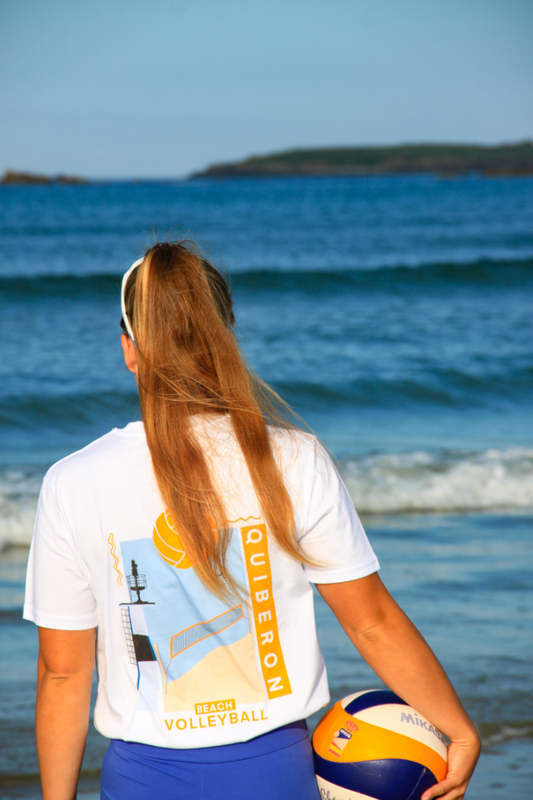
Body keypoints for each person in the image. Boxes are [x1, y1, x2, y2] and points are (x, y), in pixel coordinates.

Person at [24, 242, 480, 800]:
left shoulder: (73, 481)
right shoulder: (293, 457)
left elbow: (64, 675)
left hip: (142, 779)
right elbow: (371, 623)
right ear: (226, 337)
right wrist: (457, 731)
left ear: (130, 349)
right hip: (273, 771)